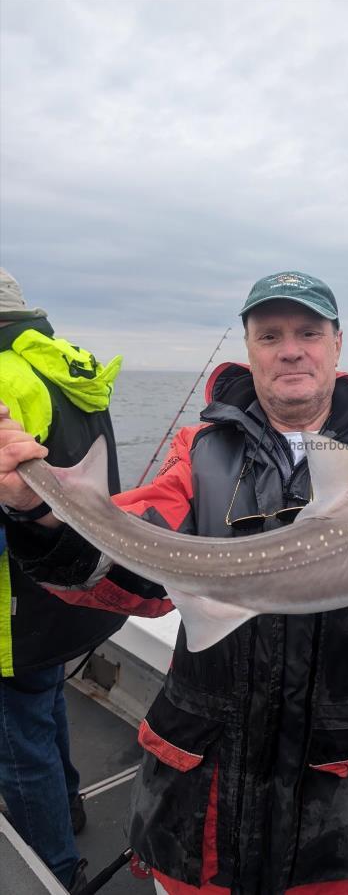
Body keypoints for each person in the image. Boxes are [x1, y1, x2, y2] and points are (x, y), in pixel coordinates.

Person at [0, 271, 348, 895]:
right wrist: (39, 509)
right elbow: (125, 575)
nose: (291, 348)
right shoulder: (200, 454)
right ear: (250, 349)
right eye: (270, 334)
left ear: (337, 344)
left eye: (308, 332)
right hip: (201, 813)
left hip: (346, 825)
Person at [0, 268, 125, 893]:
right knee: (43, 701)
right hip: (69, 586)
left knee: (17, 743)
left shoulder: (3, 380)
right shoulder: (65, 363)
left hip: (13, 598)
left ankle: (54, 871)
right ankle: (69, 802)